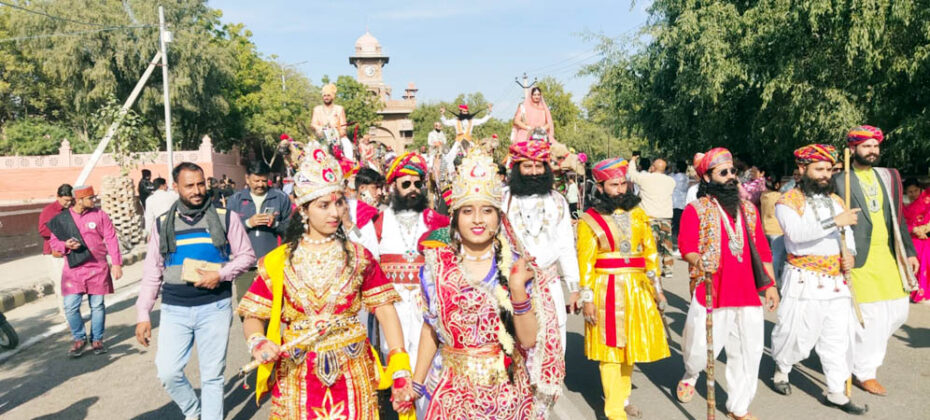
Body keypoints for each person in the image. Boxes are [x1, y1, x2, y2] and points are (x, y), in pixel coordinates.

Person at [237, 140, 415, 420]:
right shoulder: (279, 261)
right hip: (298, 374)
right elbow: (253, 315)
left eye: (339, 202)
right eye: (323, 205)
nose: (335, 213)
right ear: (304, 209)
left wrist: (400, 363)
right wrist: (258, 342)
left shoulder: (359, 257)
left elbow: (384, 309)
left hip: (353, 370)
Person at [411, 149, 537, 419]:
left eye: (487, 211)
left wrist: (517, 290)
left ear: (498, 217)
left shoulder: (516, 265)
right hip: (453, 393)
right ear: (455, 216)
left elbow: (528, 340)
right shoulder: (436, 265)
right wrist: (416, 383)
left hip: (506, 393)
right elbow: (430, 331)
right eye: (468, 211)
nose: (478, 219)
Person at [134, 162, 255, 420]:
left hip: (215, 307)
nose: (197, 190)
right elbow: (152, 272)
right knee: (167, 371)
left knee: (212, 375)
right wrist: (143, 313)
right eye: (189, 186)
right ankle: (193, 412)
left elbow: (246, 256)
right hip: (174, 309)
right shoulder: (162, 225)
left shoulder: (225, 218)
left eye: (201, 184)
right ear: (175, 187)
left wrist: (220, 275)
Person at [676, 147, 779, 420]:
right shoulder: (695, 210)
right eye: (724, 172)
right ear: (707, 178)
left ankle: (738, 407)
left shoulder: (748, 209)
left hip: (747, 292)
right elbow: (686, 247)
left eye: (733, 171)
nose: (732, 176)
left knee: (749, 351)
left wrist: (770, 285)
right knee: (699, 350)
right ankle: (691, 373)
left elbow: (763, 250)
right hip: (713, 290)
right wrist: (700, 261)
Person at [769, 144, 867, 414]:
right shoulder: (787, 202)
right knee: (795, 334)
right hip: (804, 279)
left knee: (837, 338)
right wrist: (835, 221)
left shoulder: (836, 200)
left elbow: (847, 237)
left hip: (837, 282)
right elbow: (797, 235)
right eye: (820, 169)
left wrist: (852, 257)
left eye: (830, 170)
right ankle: (782, 369)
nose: (826, 175)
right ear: (802, 169)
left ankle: (836, 391)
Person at [578, 157, 670, 420]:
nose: (620, 190)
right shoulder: (589, 220)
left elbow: (650, 253)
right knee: (609, 349)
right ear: (600, 186)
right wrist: (587, 299)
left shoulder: (639, 214)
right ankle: (614, 410)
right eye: (613, 185)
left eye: (623, 184)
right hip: (606, 287)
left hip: (637, 288)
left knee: (630, 347)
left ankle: (623, 396)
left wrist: (657, 287)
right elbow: (585, 263)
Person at [833, 125, 919, 396]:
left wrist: (909, 252)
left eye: (875, 146)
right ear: (852, 149)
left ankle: (856, 353)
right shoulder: (839, 180)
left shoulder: (890, 176)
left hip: (890, 255)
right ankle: (864, 371)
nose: (873, 151)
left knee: (897, 311)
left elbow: (899, 218)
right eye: (866, 146)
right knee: (869, 316)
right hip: (859, 258)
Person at [503, 139, 577, 414]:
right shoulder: (502, 199)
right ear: (516, 167)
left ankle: (541, 411)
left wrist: (575, 286)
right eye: (527, 166)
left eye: (538, 166)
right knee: (515, 351)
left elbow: (567, 245)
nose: (533, 172)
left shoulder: (557, 201)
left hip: (550, 286)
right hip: (510, 287)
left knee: (553, 345)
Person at [376, 151, 450, 414]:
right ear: (392, 186)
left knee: (427, 369)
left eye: (418, 184)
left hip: (424, 310)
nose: (413, 190)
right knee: (396, 367)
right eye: (405, 184)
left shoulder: (437, 222)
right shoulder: (377, 222)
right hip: (391, 309)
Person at [46, 185, 122, 357]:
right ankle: (79, 338)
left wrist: (116, 263)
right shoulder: (63, 219)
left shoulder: (100, 215)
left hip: (97, 267)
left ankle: (97, 340)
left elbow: (110, 238)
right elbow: (54, 242)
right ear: (79, 199)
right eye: (90, 198)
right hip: (74, 269)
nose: (94, 201)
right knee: (70, 306)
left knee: (97, 305)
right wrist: (65, 245)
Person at [227, 161, 293, 301]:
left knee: (271, 307)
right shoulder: (236, 200)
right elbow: (227, 230)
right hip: (245, 266)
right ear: (247, 179)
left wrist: (275, 224)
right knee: (245, 306)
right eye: (256, 180)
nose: (260, 184)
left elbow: (291, 229)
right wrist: (247, 223)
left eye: (264, 180)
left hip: (271, 263)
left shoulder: (280, 198)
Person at [628, 157, 677, 278]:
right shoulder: (671, 181)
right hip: (666, 217)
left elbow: (631, 175)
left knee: (650, 244)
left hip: (650, 217)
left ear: (653, 167)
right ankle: (668, 268)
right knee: (667, 244)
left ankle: (650, 267)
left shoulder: (646, 178)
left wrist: (633, 161)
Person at [38, 183, 74, 317]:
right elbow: (43, 230)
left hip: (70, 251)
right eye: (65, 200)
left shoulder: (71, 209)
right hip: (54, 253)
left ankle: (72, 311)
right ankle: (65, 313)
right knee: (60, 283)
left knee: (73, 284)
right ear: (58, 197)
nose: (68, 203)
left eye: (70, 200)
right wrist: (62, 232)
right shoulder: (49, 211)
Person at [311, 83, 355, 161]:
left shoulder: (339, 109)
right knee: (310, 148)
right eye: (324, 95)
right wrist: (323, 129)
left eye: (328, 95)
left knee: (347, 145)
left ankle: (349, 166)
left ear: (333, 97)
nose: (326, 97)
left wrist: (336, 132)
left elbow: (343, 127)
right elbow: (313, 124)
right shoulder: (317, 109)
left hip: (338, 138)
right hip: (321, 138)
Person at [903, 178, 930, 303]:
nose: (913, 194)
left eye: (915, 190)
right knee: (915, 264)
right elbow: (902, 224)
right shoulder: (904, 208)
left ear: (920, 190)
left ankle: (924, 291)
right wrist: (913, 229)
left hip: (925, 238)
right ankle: (915, 291)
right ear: (906, 193)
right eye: (910, 192)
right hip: (913, 240)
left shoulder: (926, 200)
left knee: (926, 263)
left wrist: (925, 228)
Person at [759, 180, 786, 284]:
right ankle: (774, 280)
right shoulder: (779, 196)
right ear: (777, 184)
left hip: (765, 228)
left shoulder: (763, 195)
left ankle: (770, 278)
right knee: (777, 256)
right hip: (777, 229)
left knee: (770, 256)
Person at [671, 161, 690, 239]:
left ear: (677, 168)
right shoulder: (687, 178)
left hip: (674, 204)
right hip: (683, 204)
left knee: (674, 224)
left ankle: (674, 239)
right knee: (680, 224)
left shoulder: (673, 178)